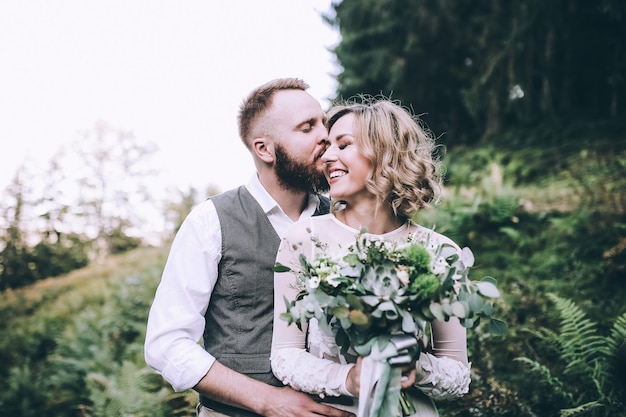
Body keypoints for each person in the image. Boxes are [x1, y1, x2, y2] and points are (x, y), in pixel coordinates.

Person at [145, 78, 355, 417]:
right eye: (307, 127)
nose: (325, 136)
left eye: (325, 124)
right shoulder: (210, 221)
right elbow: (166, 345)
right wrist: (268, 401)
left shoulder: (345, 217)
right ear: (264, 149)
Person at [271, 98, 472, 416]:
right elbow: (284, 356)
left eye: (343, 144)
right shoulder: (304, 239)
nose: (327, 157)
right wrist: (348, 380)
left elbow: (459, 377)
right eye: (326, 147)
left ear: (384, 153)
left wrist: (415, 366)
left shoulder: (440, 252)